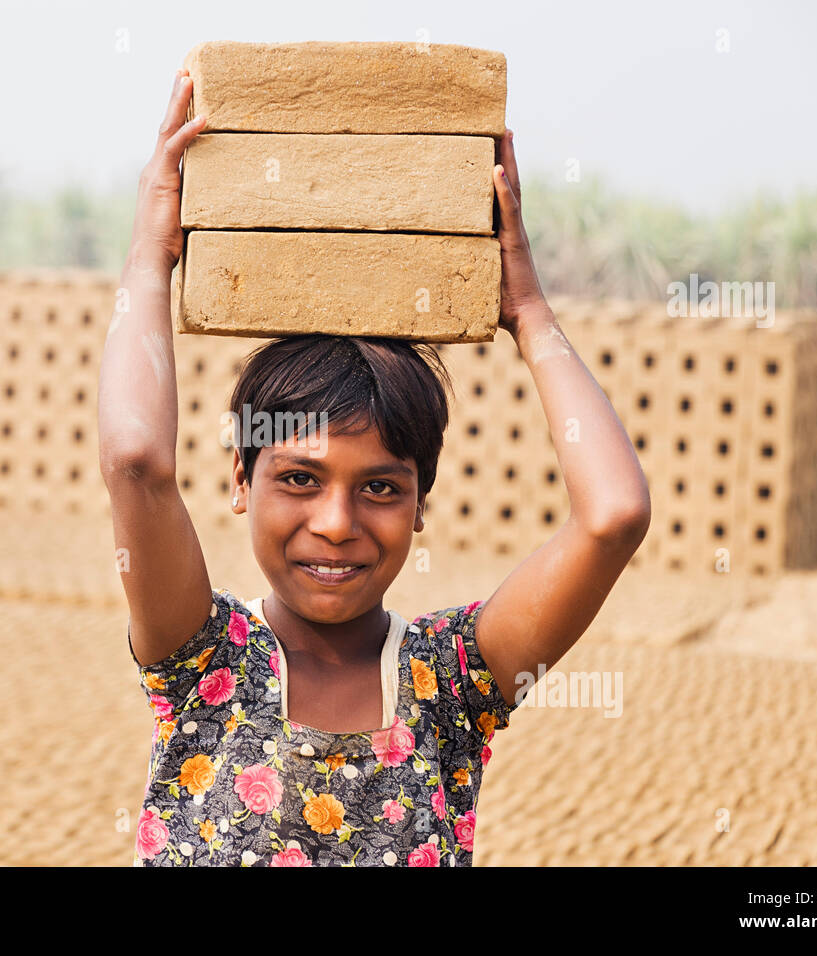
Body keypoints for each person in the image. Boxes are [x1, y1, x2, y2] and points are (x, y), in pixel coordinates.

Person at [98, 68, 651, 866]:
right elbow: (135, 460)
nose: (336, 522)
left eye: (381, 488)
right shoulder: (200, 659)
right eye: (298, 478)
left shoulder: (455, 682)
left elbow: (614, 517)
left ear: (422, 502)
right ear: (237, 480)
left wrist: (527, 312)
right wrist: (151, 257)